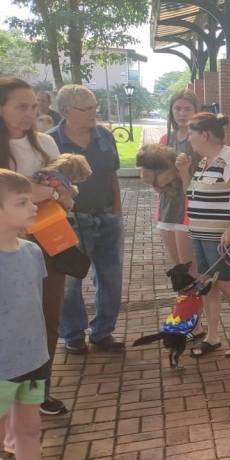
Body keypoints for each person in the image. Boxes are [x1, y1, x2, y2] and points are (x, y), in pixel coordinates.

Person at [0, 77, 68, 415]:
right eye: (21, 106)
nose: (30, 113)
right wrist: (38, 191)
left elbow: (66, 191)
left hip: (48, 240)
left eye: (33, 106)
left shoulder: (46, 144)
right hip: (5, 246)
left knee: (46, 317)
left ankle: (37, 392)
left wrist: (53, 192)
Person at [49, 85, 125, 355]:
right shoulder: (50, 141)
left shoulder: (104, 136)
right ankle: (73, 334)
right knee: (70, 281)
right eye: (86, 109)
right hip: (69, 221)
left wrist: (116, 210)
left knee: (111, 278)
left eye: (94, 107)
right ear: (66, 111)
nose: (94, 113)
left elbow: (112, 175)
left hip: (106, 217)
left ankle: (103, 332)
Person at [175, 113, 230, 358]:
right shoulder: (205, 161)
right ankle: (212, 337)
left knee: (228, 286)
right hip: (201, 234)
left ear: (204, 134)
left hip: (221, 237)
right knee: (208, 286)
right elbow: (192, 194)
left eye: (192, 132)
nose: (189, 137)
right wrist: (184, 172)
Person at [0, 170, 48, 459]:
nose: (33, 207)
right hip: (1, 368)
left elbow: (33, 305)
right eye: (21, 202)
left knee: (29, 430)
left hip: (33, 361)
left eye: (31, 200)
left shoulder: (32, 252)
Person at [145, 90, 200, 269]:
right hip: (167, 205)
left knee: (190, 266)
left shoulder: (200, 138)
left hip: (190, 206)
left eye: (187, 109)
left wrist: (183, 172)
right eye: (177, 108)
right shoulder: (165, 139)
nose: (182, 113)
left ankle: (197, 288)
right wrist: (155, 180)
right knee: (178, 266)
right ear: (171, 111)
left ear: (196, 111)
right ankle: (187, 289)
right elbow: (155, 175)